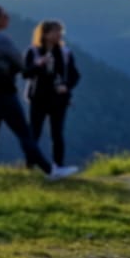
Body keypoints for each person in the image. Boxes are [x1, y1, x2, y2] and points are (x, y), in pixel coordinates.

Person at [0, 6, 77, 180]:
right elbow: (21, 65)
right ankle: (50, 171)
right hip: (3, 92)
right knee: (24, 133)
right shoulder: (1, 40)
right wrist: (38, 64)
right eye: (4, 16)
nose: (8, 18)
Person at [24, 20, 81, 168]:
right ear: (45, 34)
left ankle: (58, 165)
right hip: (38, 98)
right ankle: (30, 165)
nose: (59, 34)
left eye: (60, 31)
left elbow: (75, 75)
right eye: (56, 31)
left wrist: (66, 86)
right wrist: (38, 65)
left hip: (59, 99)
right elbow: (25, 73)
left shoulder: (65, 53)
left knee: (57, 134)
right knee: (34, 132)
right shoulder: (33, 52)